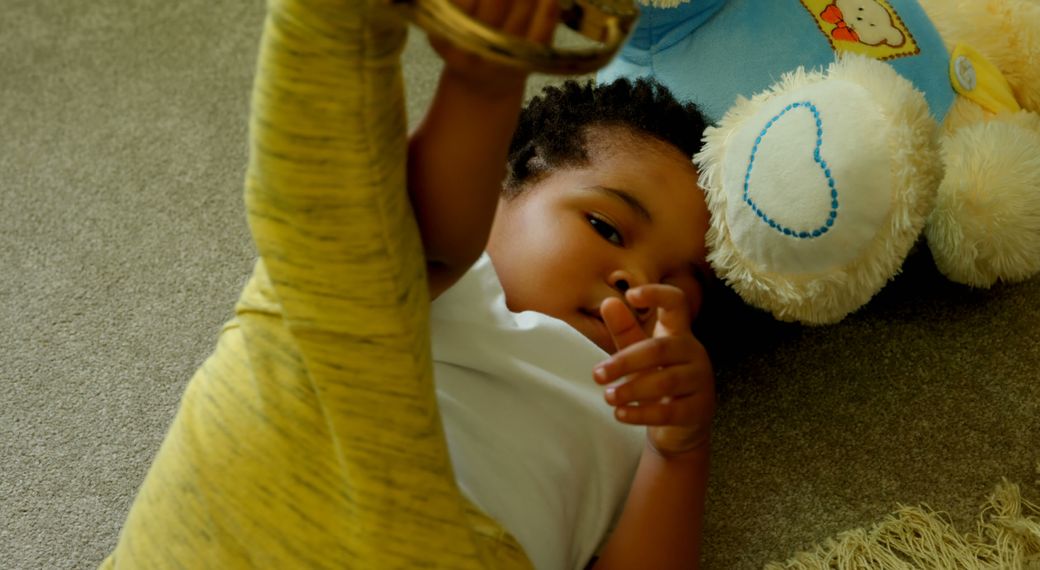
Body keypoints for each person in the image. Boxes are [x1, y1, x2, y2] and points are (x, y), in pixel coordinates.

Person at [101, 0, 717, 569]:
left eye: (678, 293)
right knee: (348, 227)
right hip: (310, 435)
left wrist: (678, 452)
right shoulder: (461, 277)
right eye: (607, 228)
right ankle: (337, 25)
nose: (637, 281)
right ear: (504, 191)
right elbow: (441, 235)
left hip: (455, 547)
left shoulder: (634, 429)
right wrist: (482, 87)